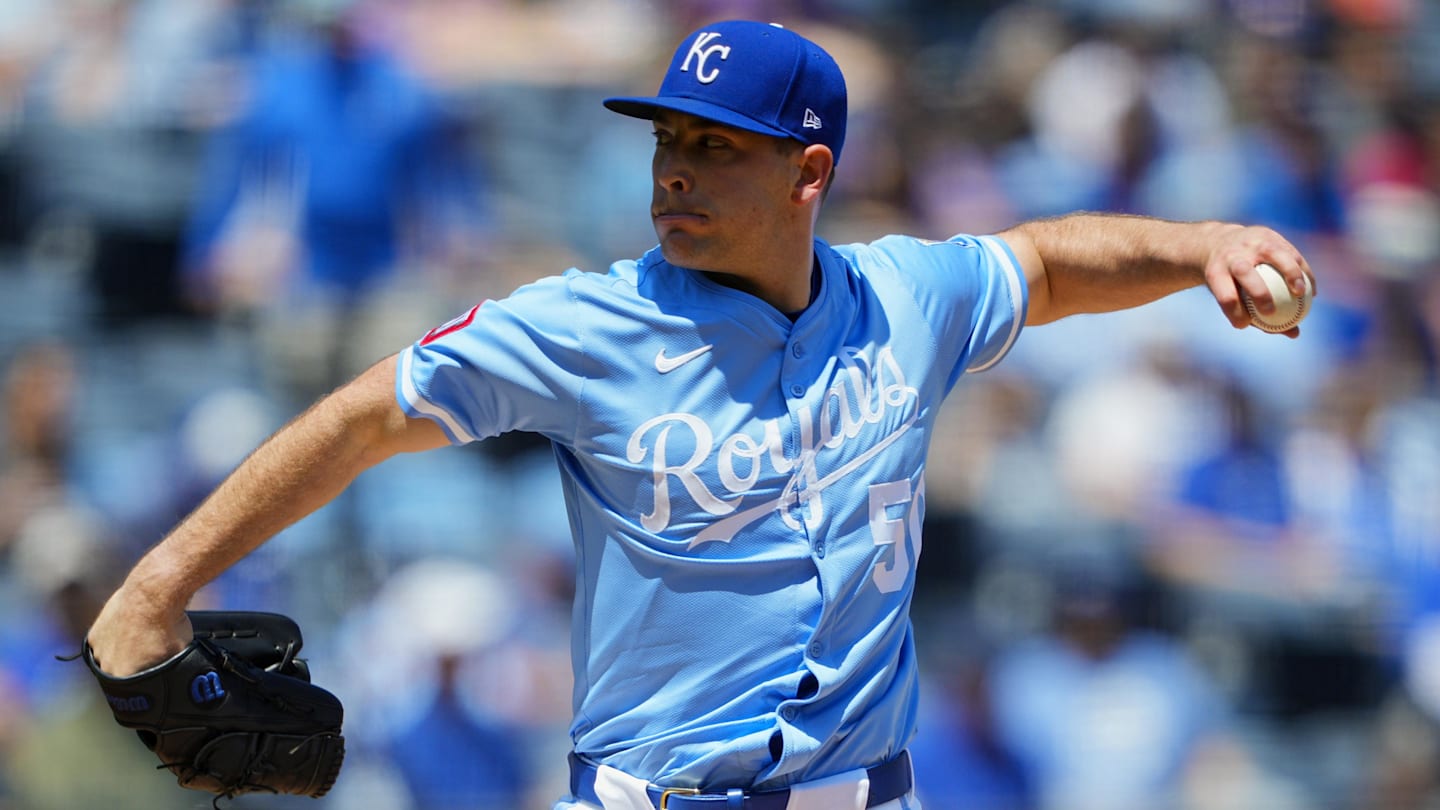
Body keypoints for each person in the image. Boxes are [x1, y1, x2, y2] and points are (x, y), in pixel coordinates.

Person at [83, 20, 1314, 810]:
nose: (674, 168)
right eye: (668, 138)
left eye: (718, 148)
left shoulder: (904, 297)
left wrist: (1202, 241)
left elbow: (1044, 264)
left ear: (809, 172)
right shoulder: (584, 326)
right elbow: (360, 417)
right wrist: (155, 590)